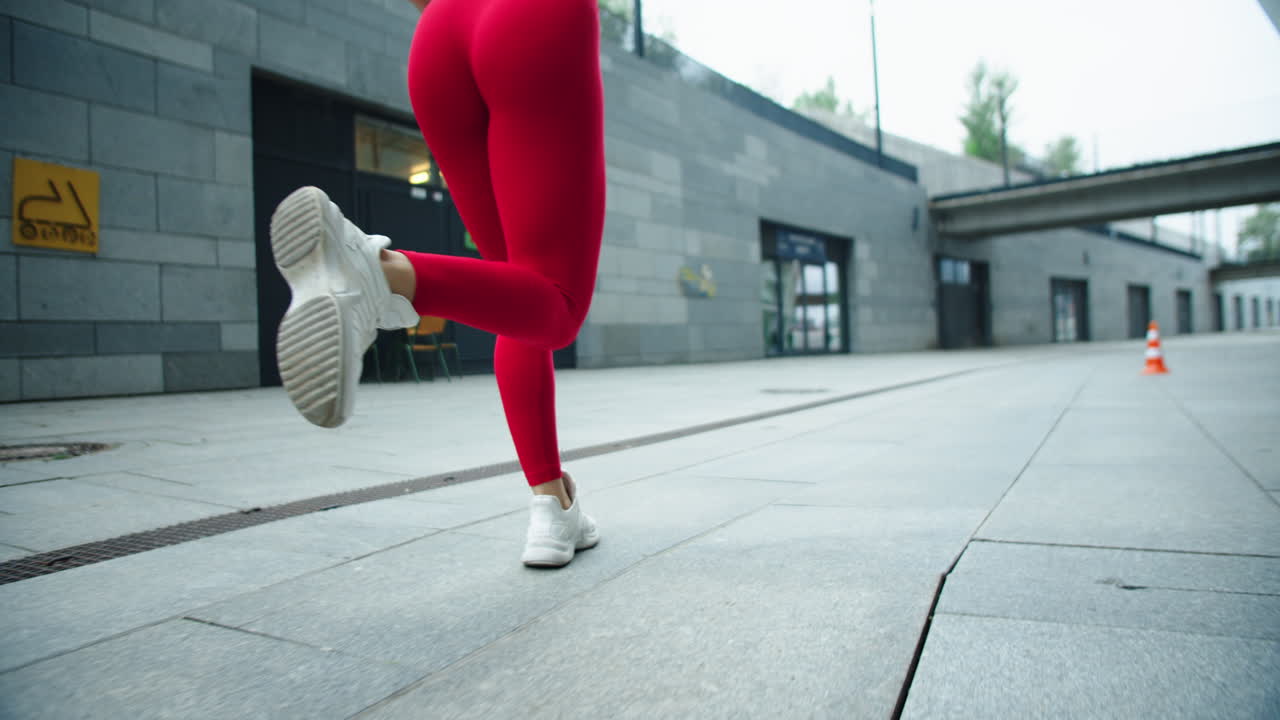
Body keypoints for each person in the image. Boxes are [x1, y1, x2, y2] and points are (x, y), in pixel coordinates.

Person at [270, 0, 606, 568]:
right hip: (533, 21)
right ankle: (380, 275)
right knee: (558, 303)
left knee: (514, 291)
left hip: (438, 37)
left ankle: (552, 506)